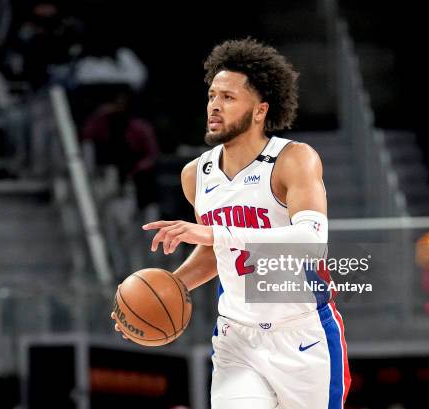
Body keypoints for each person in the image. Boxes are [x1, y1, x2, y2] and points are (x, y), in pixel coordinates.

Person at [112, 38, 350, 409]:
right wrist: (163, 292)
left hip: (303, 334)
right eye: (211, 96)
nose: (215, 106)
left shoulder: (293, 160)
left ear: (259, 111)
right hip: (236, 338)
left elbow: (311, 241)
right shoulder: (197, 175)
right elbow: (215, 253)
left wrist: (215, 232)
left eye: (228, 97)